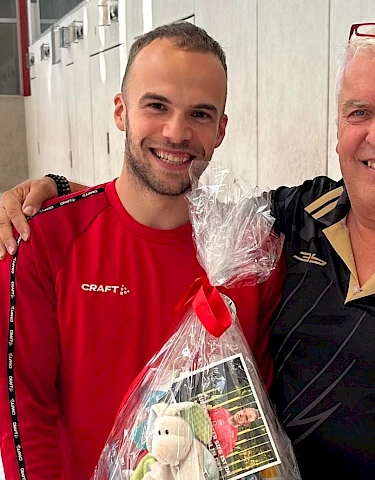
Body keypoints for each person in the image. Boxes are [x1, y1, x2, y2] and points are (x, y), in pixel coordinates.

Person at [2, 22, 375, 480]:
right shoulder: (297, 216)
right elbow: (171, 198)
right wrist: (62, 197)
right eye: (359, 112)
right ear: (339, 129)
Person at [0, 23, 284, 480]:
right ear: (121, 111)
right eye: (157, 105)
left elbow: (253, 422)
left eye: (200, 113)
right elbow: (23, 416)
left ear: (221, 129)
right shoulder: (41, 241)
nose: (176, 132)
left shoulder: (250, 256)